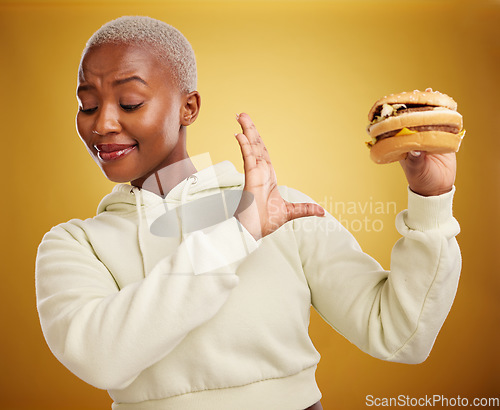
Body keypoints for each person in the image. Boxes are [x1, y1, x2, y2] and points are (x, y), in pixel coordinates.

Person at [35, 16, 461, 410]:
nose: (103, 124)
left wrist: (431, 198)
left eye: (128, 103)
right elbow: (100, 358)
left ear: (189, 107)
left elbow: (400, 334)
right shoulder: (74, 244)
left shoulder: (283, 211)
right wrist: (237, 234)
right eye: (88, 105)